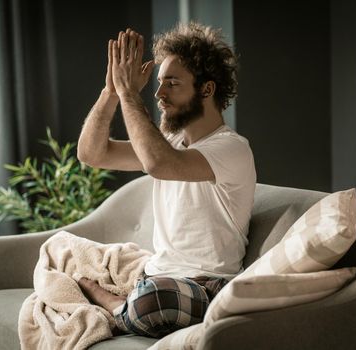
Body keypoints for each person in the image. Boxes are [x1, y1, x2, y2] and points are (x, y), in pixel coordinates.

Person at [76, 22, 256, 338]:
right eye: (159, 83)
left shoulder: (231, 148)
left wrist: (131, 94)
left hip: (205, 285)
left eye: (171, 83)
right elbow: (92, 153)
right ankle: (132, 299)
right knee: (60, 246)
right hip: (156, 274)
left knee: (150, 302)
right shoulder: (170, 143)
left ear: (207, 89)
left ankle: (117, 305)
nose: (159, 93)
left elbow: (159, 163)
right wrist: (112, 92)